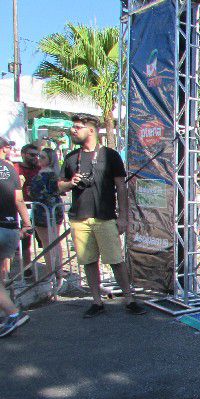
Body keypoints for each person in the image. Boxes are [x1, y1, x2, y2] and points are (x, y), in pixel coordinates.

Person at [57, 114, 145, 318]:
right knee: (89, 262)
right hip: (80, 218)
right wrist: (70, 183)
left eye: (77, 127)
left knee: (115, 260)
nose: (73, 130)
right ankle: (97, 302)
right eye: (73, 127)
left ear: (91, 130)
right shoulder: (71, 158)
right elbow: (59, 186)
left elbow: (121, 188)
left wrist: (123, 217)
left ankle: (129, 299)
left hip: (105, 217)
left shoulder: (110, 155)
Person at [0, 137, 32, 337]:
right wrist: (27, 223)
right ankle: (8, 311)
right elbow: (19, 199)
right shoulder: (11, 169)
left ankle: (12, 313)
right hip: (10, 228)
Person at [29, 148, 65, 285]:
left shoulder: (48, 175)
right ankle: (56, 272)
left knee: (49, 242)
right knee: (52, 241)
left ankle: (53, 273)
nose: (39, 159)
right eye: (39, 156)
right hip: (47, 208)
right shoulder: (49, 174)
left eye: (43, 157)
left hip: (46, 210)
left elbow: (40, 192)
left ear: (50, 159)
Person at [15, 144, 40, 276]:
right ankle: (26, 268)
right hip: (22, 208)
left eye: (37, 155)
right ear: (23, 154)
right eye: (31, 155)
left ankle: (53, 269)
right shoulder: (16, 168)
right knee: (25, 240)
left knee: (43, 239)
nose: (35, 158)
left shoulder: (39, 168)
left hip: (38, 208)